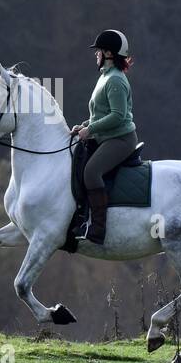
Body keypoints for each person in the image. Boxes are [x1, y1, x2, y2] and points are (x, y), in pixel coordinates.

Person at [69, 29, 138, 244]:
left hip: (120, 139)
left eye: (98, 51)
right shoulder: (106, 77)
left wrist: (90, 130)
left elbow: (118, 116)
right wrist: (85, 125)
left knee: (91, 172)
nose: (96, 55)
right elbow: (101, 113)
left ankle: (98, 229)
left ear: (108, 53)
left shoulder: (115, 80)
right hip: (106, 137)